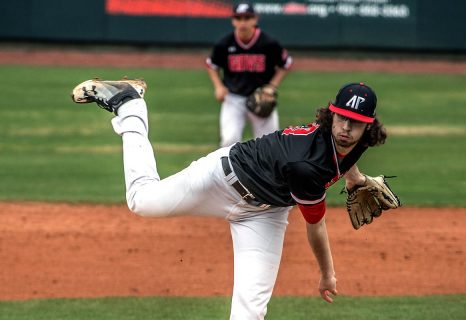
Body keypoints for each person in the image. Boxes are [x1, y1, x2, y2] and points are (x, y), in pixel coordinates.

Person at [71, 78, 387, 320]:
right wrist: (327, 274)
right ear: (331, 114)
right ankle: (130, 105)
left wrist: (357, 180)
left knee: (250, 310)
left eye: (355, 122)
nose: (346, 128)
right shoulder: (305, 165)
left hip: (266, 214)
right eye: (341, 118)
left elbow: (342, 158)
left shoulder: (357, 142)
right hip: (222, 179)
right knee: (141, 200)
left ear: (368, 125)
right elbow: (315, 226)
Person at [206, 2, 292, 147]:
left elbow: (286, 64)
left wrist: (272, 86)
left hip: (261, 97)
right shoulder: (225, 44)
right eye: (239, 18)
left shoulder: (268, 43)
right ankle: (229, 170)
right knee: (229, 140)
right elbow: (211, 65)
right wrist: (218, 86)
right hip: (233, 99)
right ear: (233, 20)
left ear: (255, 19)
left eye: (247, 18)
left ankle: (266, 170)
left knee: (269, 145)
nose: (243, 22)